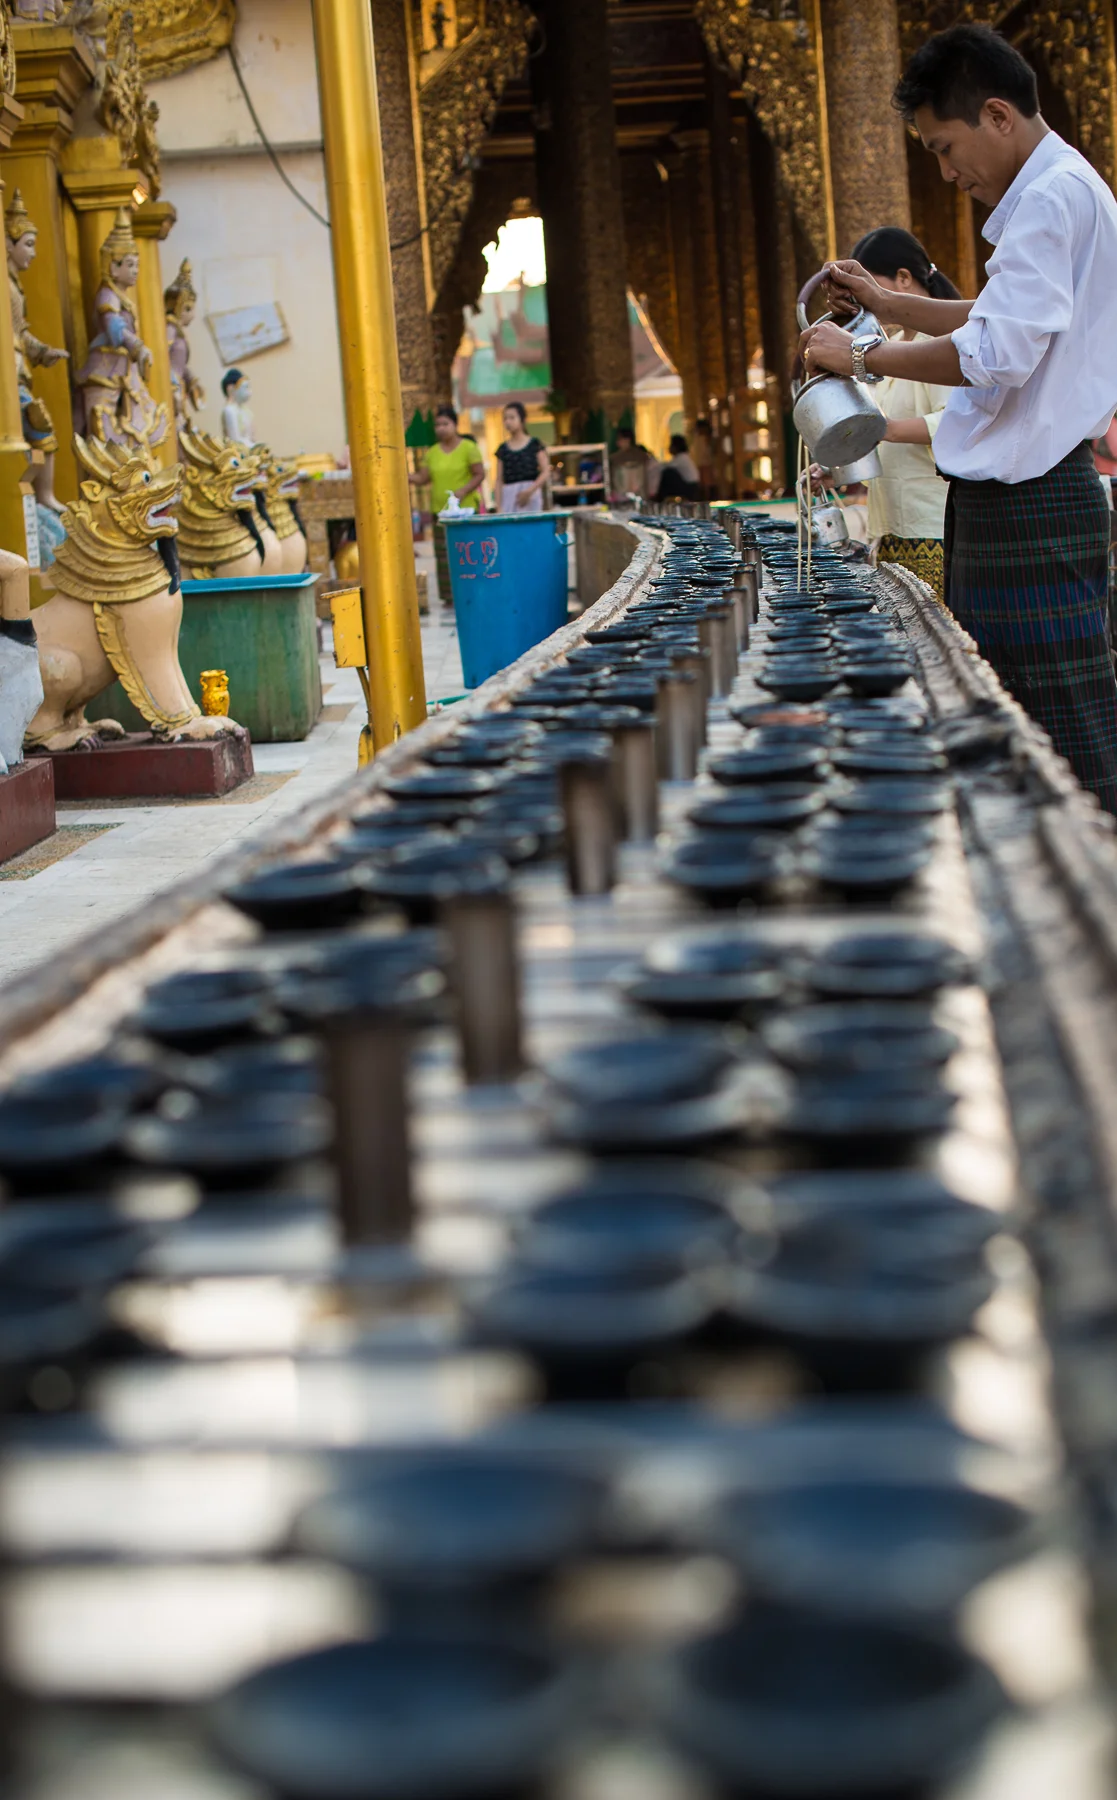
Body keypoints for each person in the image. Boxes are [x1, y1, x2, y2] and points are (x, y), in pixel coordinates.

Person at [799, 24, 1117, 816]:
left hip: (1030, 506)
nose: (944, 172)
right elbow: (999, 316)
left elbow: (994, 353)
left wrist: (860, 360)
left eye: (945, 147)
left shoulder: (1046, 199)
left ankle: (1082, 914)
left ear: (999, 116)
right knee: (1024, 727)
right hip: (1021, 504)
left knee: (1052, 743)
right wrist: (888, 304)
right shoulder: (1065, 188)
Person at [840, 226, 959, 601]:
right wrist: (837, 471)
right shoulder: (895, 350)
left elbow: (955, 422)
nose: (866, 302)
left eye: (871, 287)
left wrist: (885, 429)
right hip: (893, 529)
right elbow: (890, 441)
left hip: (930, 529)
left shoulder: (937, 347)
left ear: (903, 279)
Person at [409, 403, 485, 607]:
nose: (441, 428)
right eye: (438, 425)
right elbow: (423, 478)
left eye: (445, 423)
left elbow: (480, 474)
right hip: (440, 512)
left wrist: (464, 490)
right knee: (444, 555)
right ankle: (449, 597)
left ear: (455, 424)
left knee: (467, 552)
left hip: (465, 510)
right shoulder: (432, 452)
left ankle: (473, 590)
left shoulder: (468, 448)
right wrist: (404, 476)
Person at [494, 402, 550, 513]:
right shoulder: (503, 449)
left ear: (522, 419)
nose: (508, 422)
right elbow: (499, 479)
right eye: (505, 418)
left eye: (512, 418)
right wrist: (498, 506)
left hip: (531, 494)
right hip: (509, 496)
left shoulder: (534, 444)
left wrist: (530, 491)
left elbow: (546, 471)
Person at [612, 425, 656, 501]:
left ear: (627, 440)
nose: (617, 442)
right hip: (624, 496)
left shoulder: (640, 456)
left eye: (620, 439)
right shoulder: (616, 457)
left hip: (637, 495)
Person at [656, 434, 701, 502]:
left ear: (676, 446)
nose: (669, 447)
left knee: (668, 473)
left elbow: (664, 467)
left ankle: (661, 499)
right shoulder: (682, 457)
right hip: (691, 486)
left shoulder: (681, 457)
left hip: (690, 488)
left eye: (671, 445)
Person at [221, 369, 254, 445]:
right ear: (231, 389)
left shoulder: (244, 410)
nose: (249, 391)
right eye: (245, 387)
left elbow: (251, 436)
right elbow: (235, 440)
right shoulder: (229, 411)